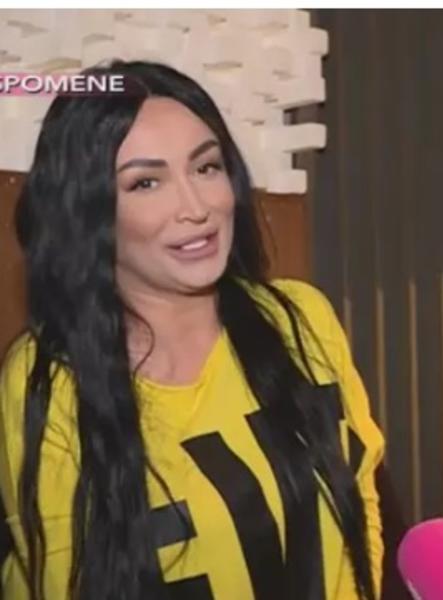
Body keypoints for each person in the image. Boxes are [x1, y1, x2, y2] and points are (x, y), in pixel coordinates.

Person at [0, 58, 385, 600]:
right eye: (146, 182)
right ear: (89, 212)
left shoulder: (301, 320)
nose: (196, 206)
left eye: (206, 167)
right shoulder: (48, 380)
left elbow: (359, 502)